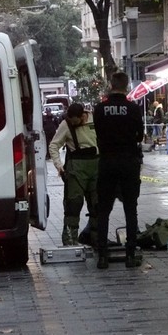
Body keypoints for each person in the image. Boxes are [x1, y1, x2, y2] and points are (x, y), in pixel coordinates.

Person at [93, 72, 144, 269]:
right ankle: (131, 254)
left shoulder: (100, 109)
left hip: (106, 162)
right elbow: (139, 136)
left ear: (111, 85)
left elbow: (98, 133)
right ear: (127, 85)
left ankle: (103, 256)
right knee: (131, 209)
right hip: (128, 162)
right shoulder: (133, 108)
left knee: (103, 210)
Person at [49, 103, 100, 246]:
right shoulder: (66, 124)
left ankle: (97, 239)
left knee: (97, 205)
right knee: (73, 205)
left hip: (96, 165)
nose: (73, 123)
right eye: (70, 120)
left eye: (75, 121)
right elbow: (53, 145)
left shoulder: (94, 119)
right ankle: (70, 241)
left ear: (83, 116)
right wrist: (59, 167)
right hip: (76, 169)